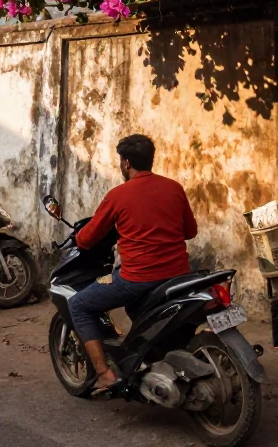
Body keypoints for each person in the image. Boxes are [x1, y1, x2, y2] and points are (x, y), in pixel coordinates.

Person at [70, 134, 198, 395]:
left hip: (138, 279)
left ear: (126, 163)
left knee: (79, 304)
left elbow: (87, 238)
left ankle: (104, 374)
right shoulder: (174, 188)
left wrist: (79, 238)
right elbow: (190, 231)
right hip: (179, 276)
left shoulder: (118, 195)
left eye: (120, 161)